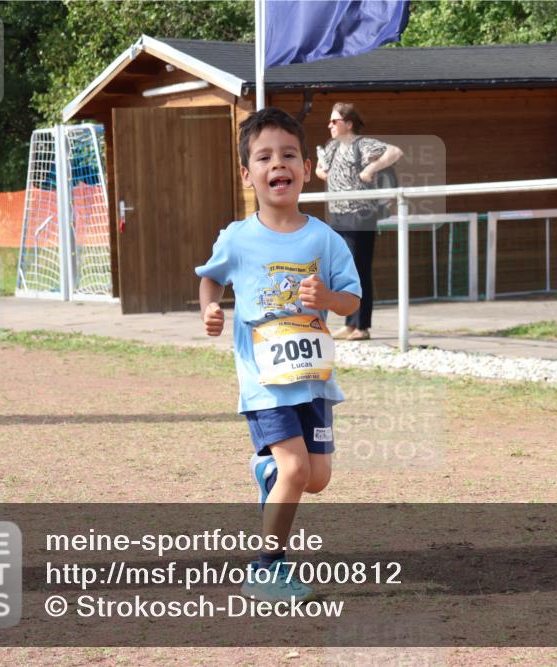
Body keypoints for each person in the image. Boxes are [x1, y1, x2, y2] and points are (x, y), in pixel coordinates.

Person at [195, 107, 362, 604]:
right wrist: (210, 309)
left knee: (317, 479)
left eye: (288, 155)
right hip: (264, 381)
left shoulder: (324, 239)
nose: (277, 164)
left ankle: (267, 471)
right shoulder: (238, 238)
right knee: (295, 471)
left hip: (313, 377)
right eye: (264, 157)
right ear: (248, 174)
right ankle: (267, 569)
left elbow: (352, 299)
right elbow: (210, 275)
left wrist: (328, 300)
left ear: (306, 168)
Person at [315, 102, 403, 341]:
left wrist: (371, 168)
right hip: (338, 214)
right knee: (342, 270)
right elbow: (323, 172)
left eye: (335, 121)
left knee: (359, 269)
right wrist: (321, 171)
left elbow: (395, 151)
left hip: (360, 214)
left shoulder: (362, 144)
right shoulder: (331, 147)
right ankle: (349, 323)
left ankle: (361, 326)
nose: (330, 125)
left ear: (349, 124)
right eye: (330, 121)